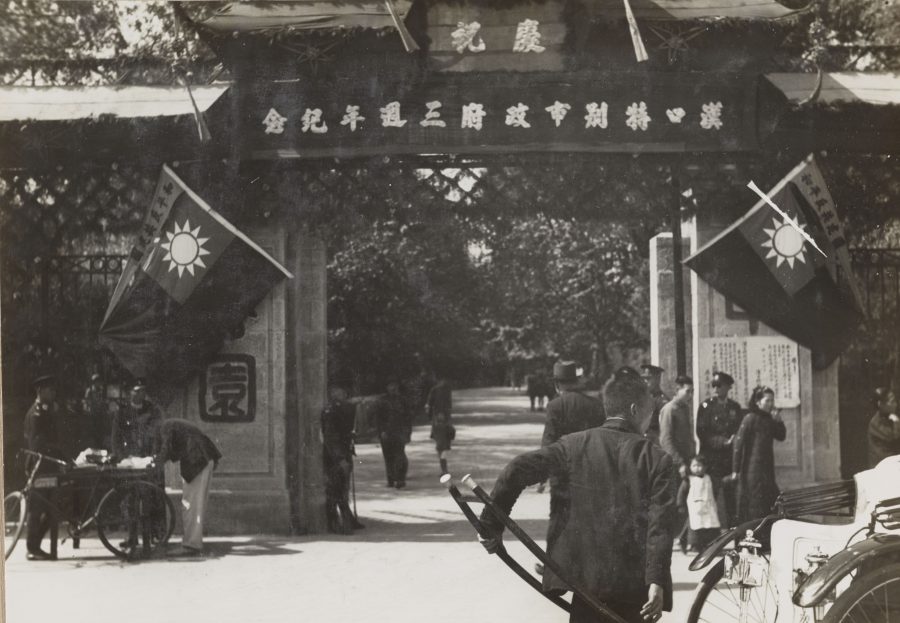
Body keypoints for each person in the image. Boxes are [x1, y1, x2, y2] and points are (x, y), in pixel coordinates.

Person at [479, 367, 675, 623]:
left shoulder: (572, 445)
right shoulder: (656, 458)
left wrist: (490, 526)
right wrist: (656, 581)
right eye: (651, 414)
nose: (651, 422)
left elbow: (516, 469)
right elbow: (659, 526)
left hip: (584, 583)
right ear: (635, 411)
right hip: (632, 588)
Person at [150, 418, 222, 554]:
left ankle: (191, 545)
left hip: (197, 460)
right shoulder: (174, 424)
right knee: (196, 505)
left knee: (190, 505)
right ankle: (193, 541)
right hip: (205, 458)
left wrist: (154, 463)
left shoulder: (165, 427)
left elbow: (165, 449)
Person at [732, 386, 787, 524]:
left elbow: (781, 436)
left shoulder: (770, 419)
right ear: (758, 402)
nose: (770, 404)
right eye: (767, 400)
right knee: (754, 503)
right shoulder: (750, 418)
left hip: (767, 470)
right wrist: (735, 470)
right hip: (752, 470)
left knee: (769, 501)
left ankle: (765, 537)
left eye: (772, 400)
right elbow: (738, 445)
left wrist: (779, 421)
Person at [23, 374, 62, 560]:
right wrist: (59, 454)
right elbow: (39, 444)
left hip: (48, 465)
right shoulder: (36, 413)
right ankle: (32, 548)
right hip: (39, 466)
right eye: (49, 389)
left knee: (52, 508)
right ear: (40, 391)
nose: (53, 392)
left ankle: (35, 545)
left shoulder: (45, 411)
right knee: (37, 508)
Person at [696, 371, 742, 526]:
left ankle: (734, 535)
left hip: (729, 461)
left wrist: (733, 441)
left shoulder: (735, 407)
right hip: (712, 460)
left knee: (731, 500)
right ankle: (707, 538)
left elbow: (738, 431)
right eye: (713, 385)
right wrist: (722, 442)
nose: (715, 389)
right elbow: (702, 432)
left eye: (719, 385)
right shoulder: (705, 406)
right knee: (710, 497)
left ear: (728, 387)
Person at [658, 375, 695, 552]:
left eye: (692, 391)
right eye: (687, 391)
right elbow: (666, 440)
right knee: (674, 503)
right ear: (677, 390)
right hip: (673, 465)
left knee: (685, 502)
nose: (690, 395)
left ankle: (681, 538)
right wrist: (679, 463)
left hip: (686, 463)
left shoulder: (684, 408)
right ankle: (671, 539)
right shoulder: (670, 409)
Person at [321, 385, 364, 533]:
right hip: (334, 456)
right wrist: (340, 459)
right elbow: (330, 437)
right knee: (335, 490)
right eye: (338, 391)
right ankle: (335, 523)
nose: (342, 394)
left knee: (342, 488)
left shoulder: (342, 409)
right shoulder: (331, 411)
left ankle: (347, 520)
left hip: (343, 452)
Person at [676, 455, 721, 553]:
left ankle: (710, 544)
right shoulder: (688, 480)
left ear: (705, 467)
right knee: (695, 526)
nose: (697, 468)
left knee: (710, 524)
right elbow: (681, 493)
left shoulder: (709, 479)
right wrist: (680, 505)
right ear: (690, 467)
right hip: (695, 507)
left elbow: (715, 490)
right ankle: (694, 544)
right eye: (694, 466)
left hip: (708, 506)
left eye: (699, 465)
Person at [111, 378, 163, 459]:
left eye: (142, 391)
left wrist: (155, 456)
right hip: (128, 456)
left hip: (147, 455)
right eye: (136, 391)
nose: (139, 394)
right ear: (130, 392)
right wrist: (120, 457)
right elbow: (115, 438)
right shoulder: (122, 412)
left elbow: (157, 434)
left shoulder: (151, 410)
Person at [375, 379, 412, 489]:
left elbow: (408, 418)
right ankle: (391, 480)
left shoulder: (403, 401)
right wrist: (381, 431)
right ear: (387, 387)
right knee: (388, 457)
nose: (393, 388)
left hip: (399, 432)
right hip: (386, 433)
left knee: (400, 456)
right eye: (390, 386)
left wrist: (408, 433)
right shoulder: (382, 401)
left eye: (394, 386)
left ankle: (400, 479)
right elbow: (378, 418)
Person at [427, 376, 454, 476]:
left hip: (438, 422)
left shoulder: (435, 390)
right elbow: (449, 407)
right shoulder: (447, 389)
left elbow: (428, 406)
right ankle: (444, 469)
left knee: (441, 447)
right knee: (444, 446)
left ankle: (444, 469)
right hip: (445, 421)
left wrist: (431, 417)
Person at [867, 387, 900, 467]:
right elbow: (893, 437)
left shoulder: (890, 417)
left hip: (893, 462)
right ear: (880, 404)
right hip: (882, 465)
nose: (895, 404)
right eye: (892, 401)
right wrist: (896, 423)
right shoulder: (875, 423)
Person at [640, 364, 669, 445]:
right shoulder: (642, 398)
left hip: (655, 443)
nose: (645, 382)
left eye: (648, 379)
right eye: (644, 379)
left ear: (657, 379)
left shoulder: (663, 401)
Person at [82, 372, 111, 449]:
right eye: (96, 381)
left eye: (99, 381)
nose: (98, 383)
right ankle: (96, 444)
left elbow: (103, 400)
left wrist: (105, 406)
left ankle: (100, 443)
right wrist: (88, 408)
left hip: (100, 412)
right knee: (94, 429)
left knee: (101, 429)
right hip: (93, 412)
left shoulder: (101, 390)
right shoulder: (90, 390)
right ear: (94, 382)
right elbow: (86, 401)